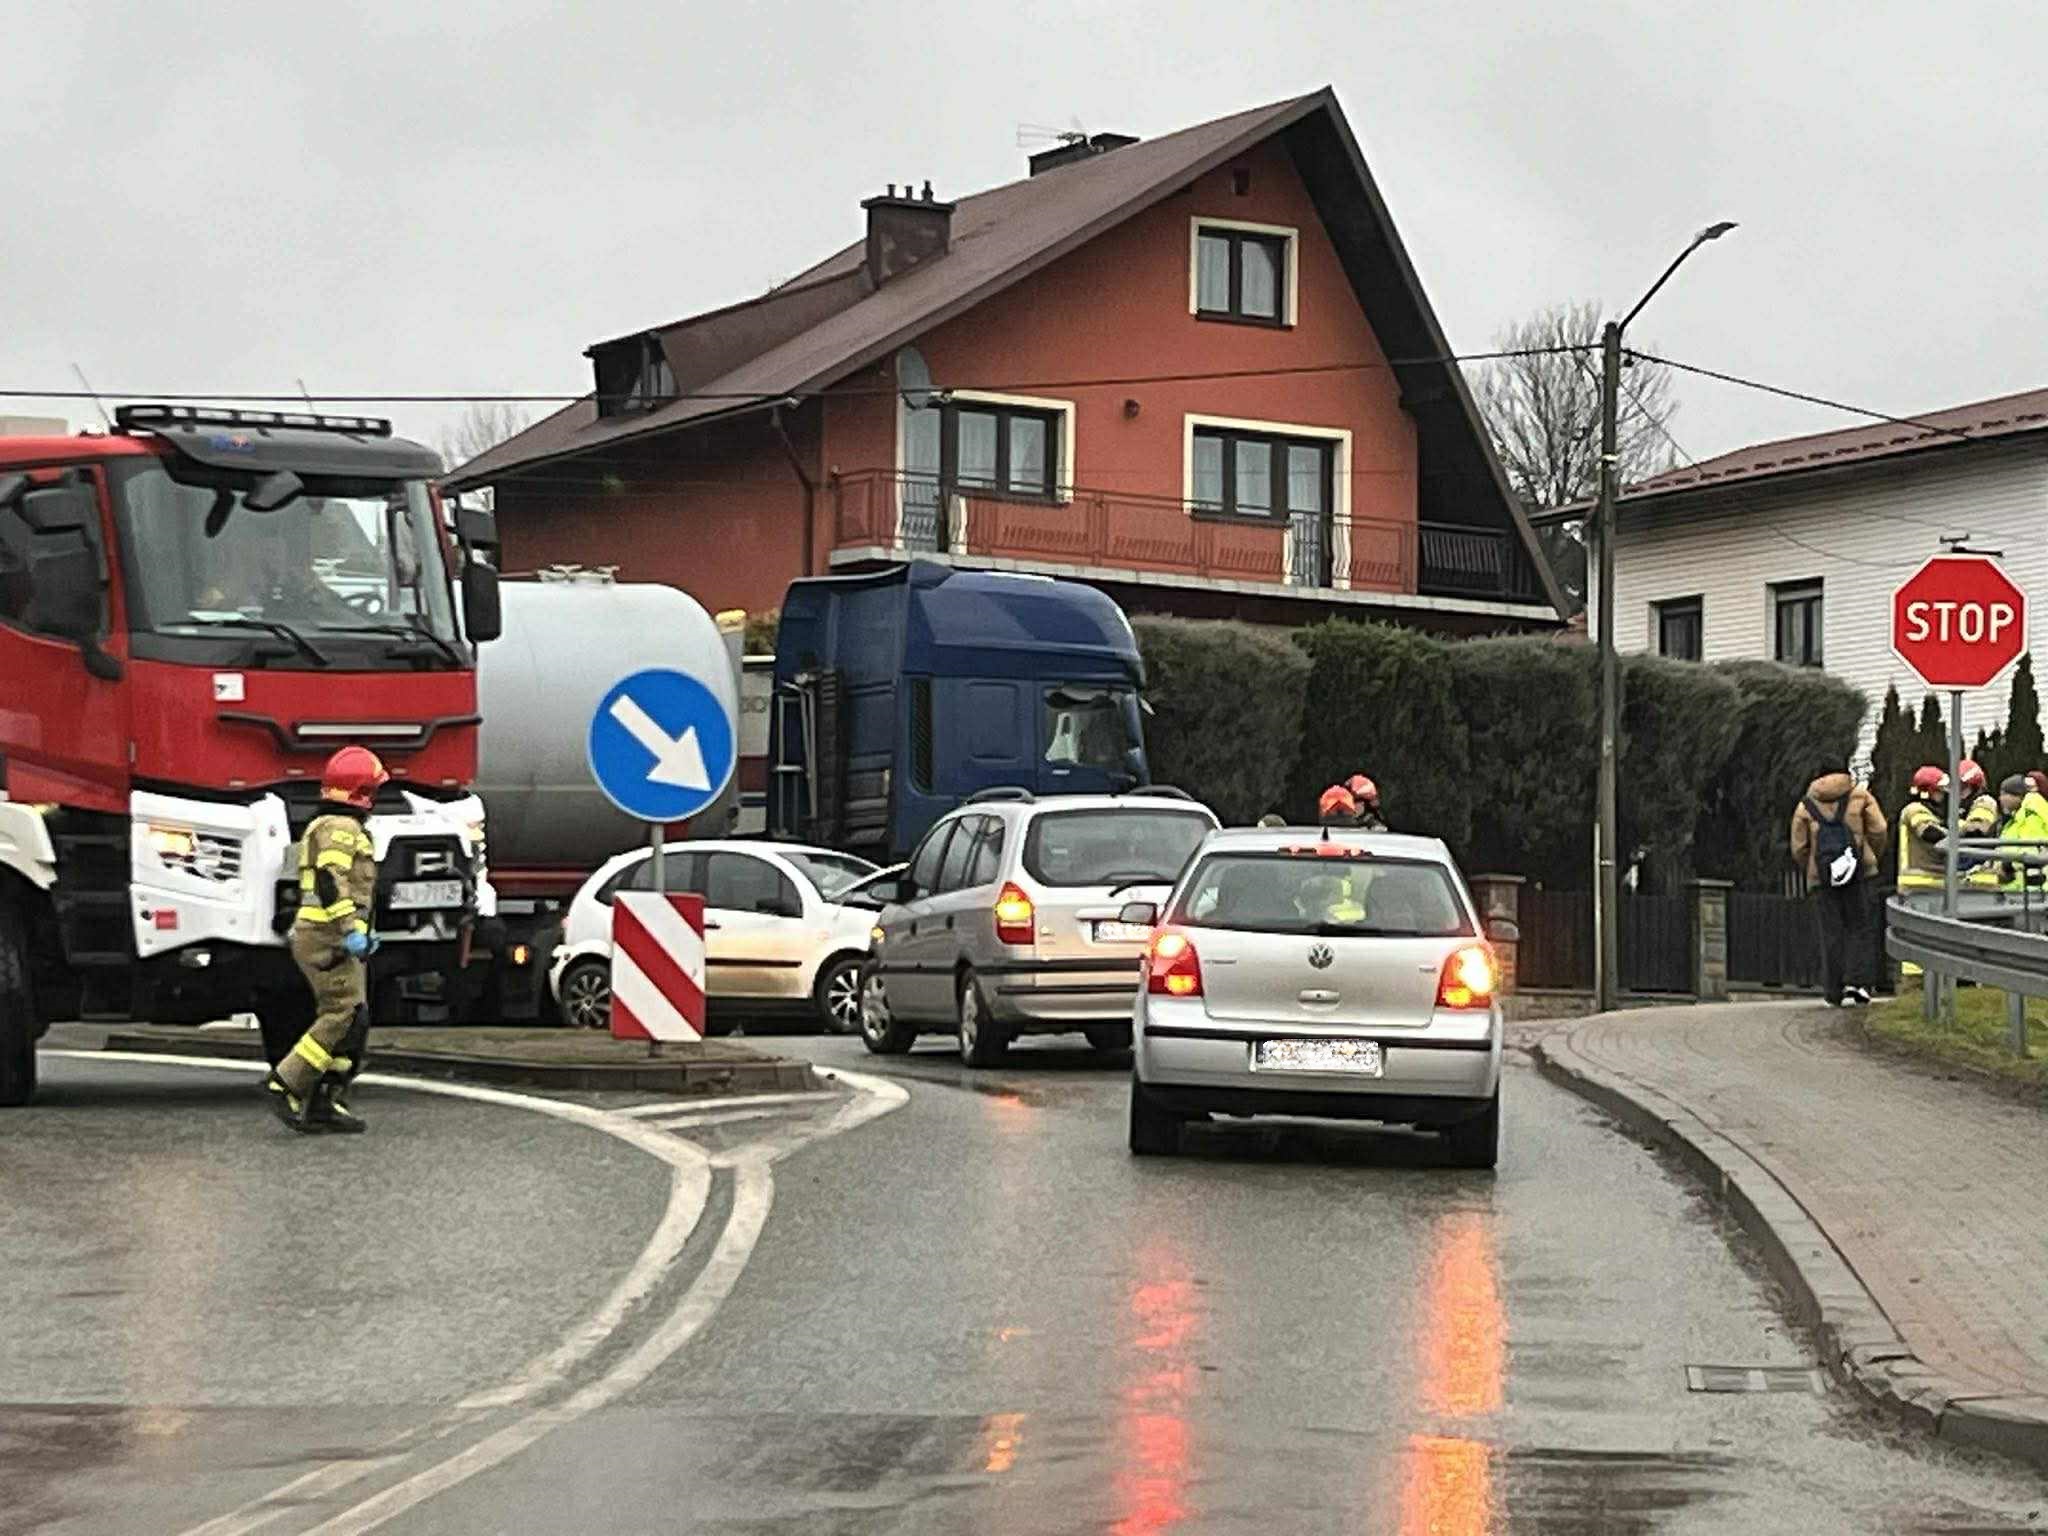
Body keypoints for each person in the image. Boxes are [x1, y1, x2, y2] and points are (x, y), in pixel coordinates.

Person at [267, 746, 388, 1134]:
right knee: (343, 1013)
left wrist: (363, 930)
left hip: (331, 937)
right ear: (362, 791)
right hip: (327, 939)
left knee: (354, 1019)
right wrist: (351, 930)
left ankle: (326, 1099)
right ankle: (287, 1083)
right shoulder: (340, 828)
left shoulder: (335, 825)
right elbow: (330, 879)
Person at [1789, 760, 1886, 1007]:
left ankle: (1833, 990)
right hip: (1860, 874)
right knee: (1860, 927)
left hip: (1823, 880)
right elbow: (1879, 829)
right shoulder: (1861, 796)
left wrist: (1815, 867)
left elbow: (1799, 848)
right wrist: (1869, 856)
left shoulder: (1805, 806)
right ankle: (1859, 983)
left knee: (1831, 932)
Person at [1995, 773, 2048, 891]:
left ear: (2017, 796)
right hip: (2019, 889)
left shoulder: (2031, 815)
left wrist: (2007, 866)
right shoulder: (2017, 817)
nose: (2000, 798)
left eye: (2004, 794)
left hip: (2034, 891)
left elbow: (2032, 849)